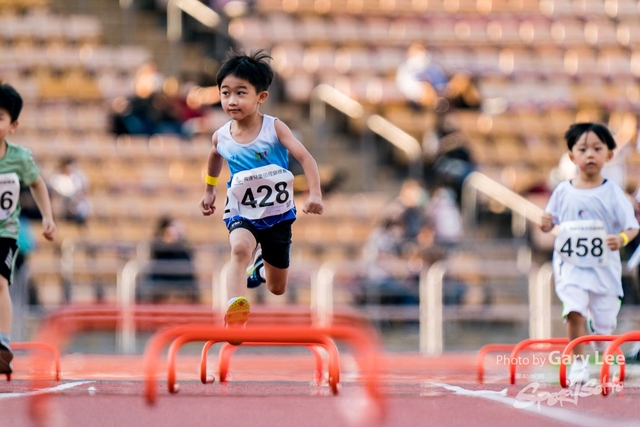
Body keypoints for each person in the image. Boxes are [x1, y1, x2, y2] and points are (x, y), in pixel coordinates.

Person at [199, 50, 323, 330]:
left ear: (261, 97)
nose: (232, 101)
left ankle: (260, 267)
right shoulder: (221, 136)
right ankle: (235, 311)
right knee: (239, 248)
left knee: (277, 287)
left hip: (278, 214)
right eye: (225, 93)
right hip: (241, 210)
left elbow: (306, 158)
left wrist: (314, 193)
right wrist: (209, 190)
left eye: (241, 93)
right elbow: (215, 156)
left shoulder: (274, 129)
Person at [540, 122, 639, 386]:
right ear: (572, 157)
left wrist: (621, 238)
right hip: (571, 265)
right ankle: (578, 363)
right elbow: (548, 221)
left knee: (604, 323)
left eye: (597, 148)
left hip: (604, 267)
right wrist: (546, 223)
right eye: (582, 149)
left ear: (609, 155)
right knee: (573, 311)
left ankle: (604, 354)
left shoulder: (613, 193)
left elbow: (632, 226)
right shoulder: (562, 191)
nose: (590, 155)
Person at [0, 83, 57, 375]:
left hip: (4, 233)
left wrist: (48, 217)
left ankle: (2, 344)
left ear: (13, 126)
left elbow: (37, 184)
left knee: (0, 282)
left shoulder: (19, 158)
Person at [143, 216, 199, 304]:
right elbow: (156, 253)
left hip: (180, 276)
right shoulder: (156, 243)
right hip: (160, 276)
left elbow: (188, 257)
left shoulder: (182, 245)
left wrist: (176, 241)